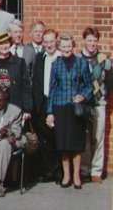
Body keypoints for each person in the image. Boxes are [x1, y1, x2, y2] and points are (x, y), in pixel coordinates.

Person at [45, 33, 93, 190]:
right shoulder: (56, 64)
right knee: (63, 144)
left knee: (76, 144)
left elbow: (89, 86)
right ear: (59, 47)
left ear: (73, 46)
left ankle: (77, 175)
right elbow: (52, 89)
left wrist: (82, 96)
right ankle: (66, 175)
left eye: (69, 46)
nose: (66, 49)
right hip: (60, 107)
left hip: (75, 109)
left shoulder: (82, 63)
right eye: (63, 46)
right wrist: (50, 112)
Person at [80, 27, 111, 183]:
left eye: (94, 40)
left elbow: (109, 82)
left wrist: (105, 97)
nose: (92, 43)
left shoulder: (104, 59)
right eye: (89, 40)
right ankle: (84, 169)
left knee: (98, 136)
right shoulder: (78, 58)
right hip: (84, 104)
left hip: (99, 102)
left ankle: (96, 171)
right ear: (84, 40)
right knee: (84, 136)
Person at [0, 32, 33, 119]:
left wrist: (27, 109)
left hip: (15, 107)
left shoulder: (19, 62)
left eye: (6, 43)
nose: (4, 46)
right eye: (1, 44)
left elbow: (26, 87)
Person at [31, 29, 60, 181]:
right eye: (46, 41)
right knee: (44, 139)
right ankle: (48, 171)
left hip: (58, 103)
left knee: (57, 138)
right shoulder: (40, 58)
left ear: (56, 41)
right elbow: (36, 82)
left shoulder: (61, 58)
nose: (49, 44)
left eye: (51, 41)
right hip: (42, 102)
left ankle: (59, 171)